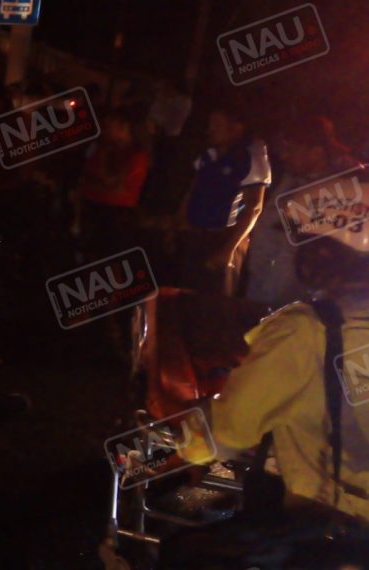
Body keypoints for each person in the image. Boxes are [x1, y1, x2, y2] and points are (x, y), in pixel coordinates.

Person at [158, 168, 369, 568]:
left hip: (333, 526)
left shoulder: (307, 330)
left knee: (183, 554)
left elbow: (227, 430)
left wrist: (177, 440)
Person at [245, 115, 358, 310]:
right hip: (260, 288)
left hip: (291, 304)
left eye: (291, 149)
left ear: (316, 153)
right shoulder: (289, 181)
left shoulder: (335, 195)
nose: (284, 156)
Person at [178, 105, 272, 296]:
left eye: (217, 126)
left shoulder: (250, 157)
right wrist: (178, 222)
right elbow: (192, 190)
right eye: (210, 125)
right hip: (196, 235)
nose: (210, 130)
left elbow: (254, 206)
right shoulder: (208, 156)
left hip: (225, 239)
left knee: (215, 301)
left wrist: (229, 248)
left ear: (236, 128)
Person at [76, 110, 151, 258]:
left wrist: (94, 184)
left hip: (116, 215)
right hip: (93, 209)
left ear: (124, 128)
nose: (104, 130)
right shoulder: (102, 147)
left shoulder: (136, 156)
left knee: (109, 260)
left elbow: (116, 187)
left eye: (110, 126)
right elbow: (86, 172)